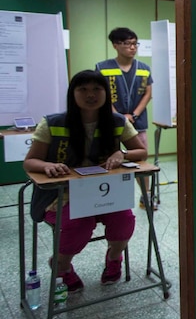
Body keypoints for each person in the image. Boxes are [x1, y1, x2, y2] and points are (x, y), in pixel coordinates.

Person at [23, 70, 148, 292]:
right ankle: (61, 265)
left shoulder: (117, 121)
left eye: (97, 89)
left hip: (105, 192)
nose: (90, 94)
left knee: (124, 220)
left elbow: (140, 151)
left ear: (106, 93)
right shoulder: (53, 122)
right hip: (62, 194)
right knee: (79, 224)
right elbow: (30, 161)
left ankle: (114, 257)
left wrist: (122, 154)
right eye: (83, 89)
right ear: (73, 93)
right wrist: (47, 166)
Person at [95, 27, 153, 208]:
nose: (132, 47)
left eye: (135, 43)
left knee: (140, 159)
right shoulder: (102, 68)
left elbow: (148, 94)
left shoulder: (144, 68)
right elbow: (100, 94)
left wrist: (134, 114)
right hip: (110, 122)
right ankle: (107, 198)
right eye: (128, 43)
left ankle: (146, 196)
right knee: (107, 158)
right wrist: (120, 116)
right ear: (115, 45)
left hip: (138, 121)